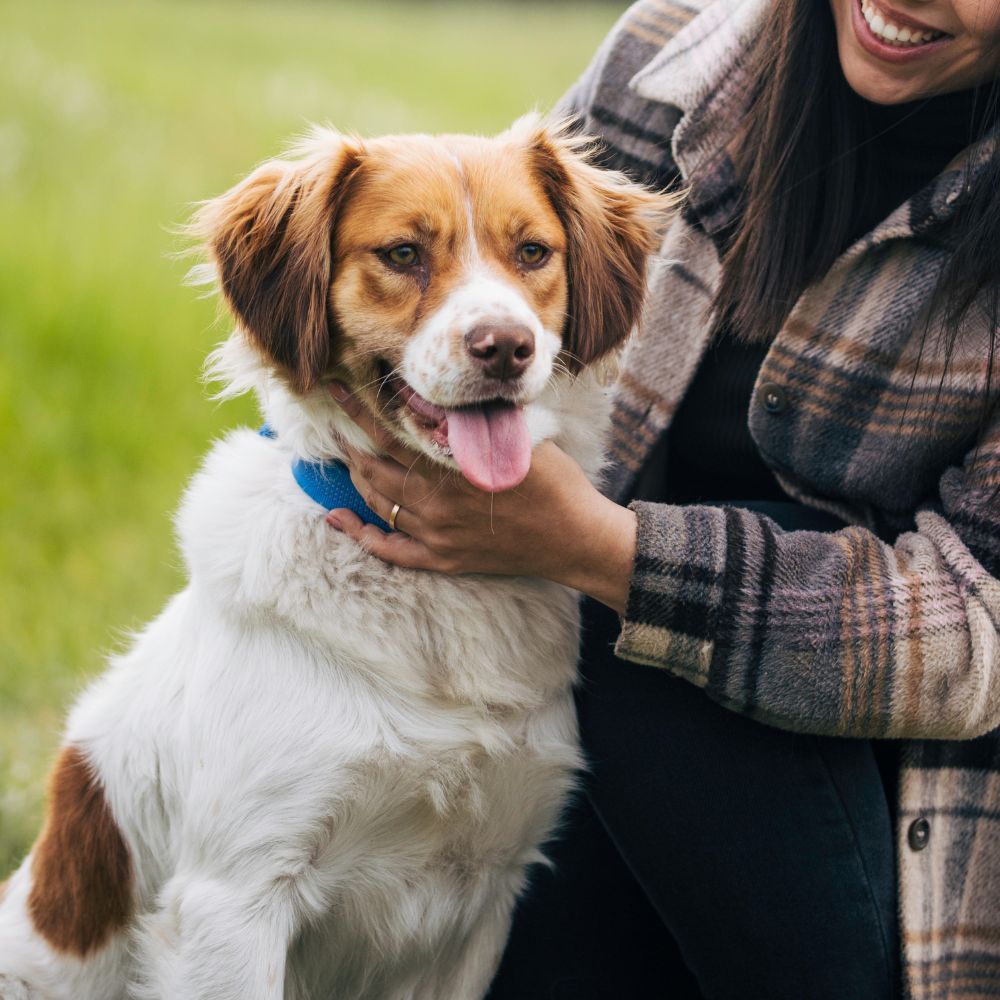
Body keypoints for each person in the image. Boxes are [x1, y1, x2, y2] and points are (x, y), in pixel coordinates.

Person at [324, 0, 1000, 996]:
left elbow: (977, 637)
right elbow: (460, 330)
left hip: (905, 810)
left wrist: (608, 550)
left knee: (648, 620)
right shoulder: (664, 64)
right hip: (597, 724)